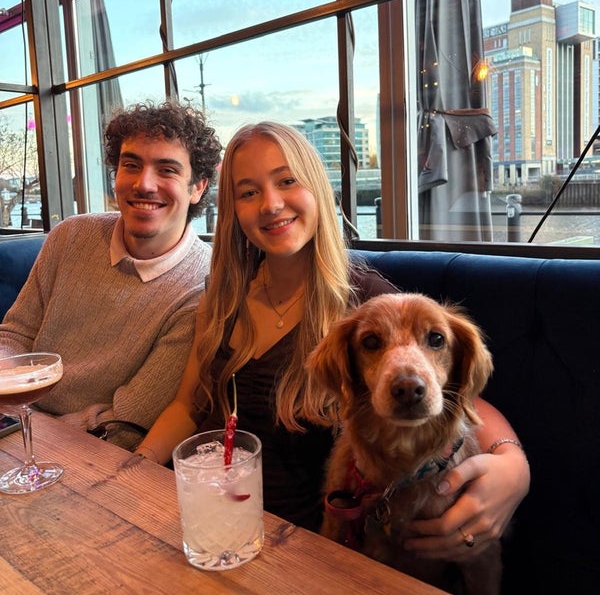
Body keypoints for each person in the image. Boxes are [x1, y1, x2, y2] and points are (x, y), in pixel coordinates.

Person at [136, 121, 529, 559]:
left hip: (305, 544)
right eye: (248, 192)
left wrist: (513, 465)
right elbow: (187, 406)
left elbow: (447, 392)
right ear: (233, 211)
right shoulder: (224, 294)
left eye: (287, 181)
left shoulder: (368, 304)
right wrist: (133, 467)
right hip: (207, 517)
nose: (271, 204)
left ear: (318, 189)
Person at [0, 100, 222, 449]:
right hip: (14, 422)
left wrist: (30, 435)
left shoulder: (201, 285)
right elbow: (15, 335)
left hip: (83, 448)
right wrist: (11, 410)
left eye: (167, 170)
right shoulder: (71, 236)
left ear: (198, 187)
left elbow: (126, 421)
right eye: (131, 165)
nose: (144, 184)